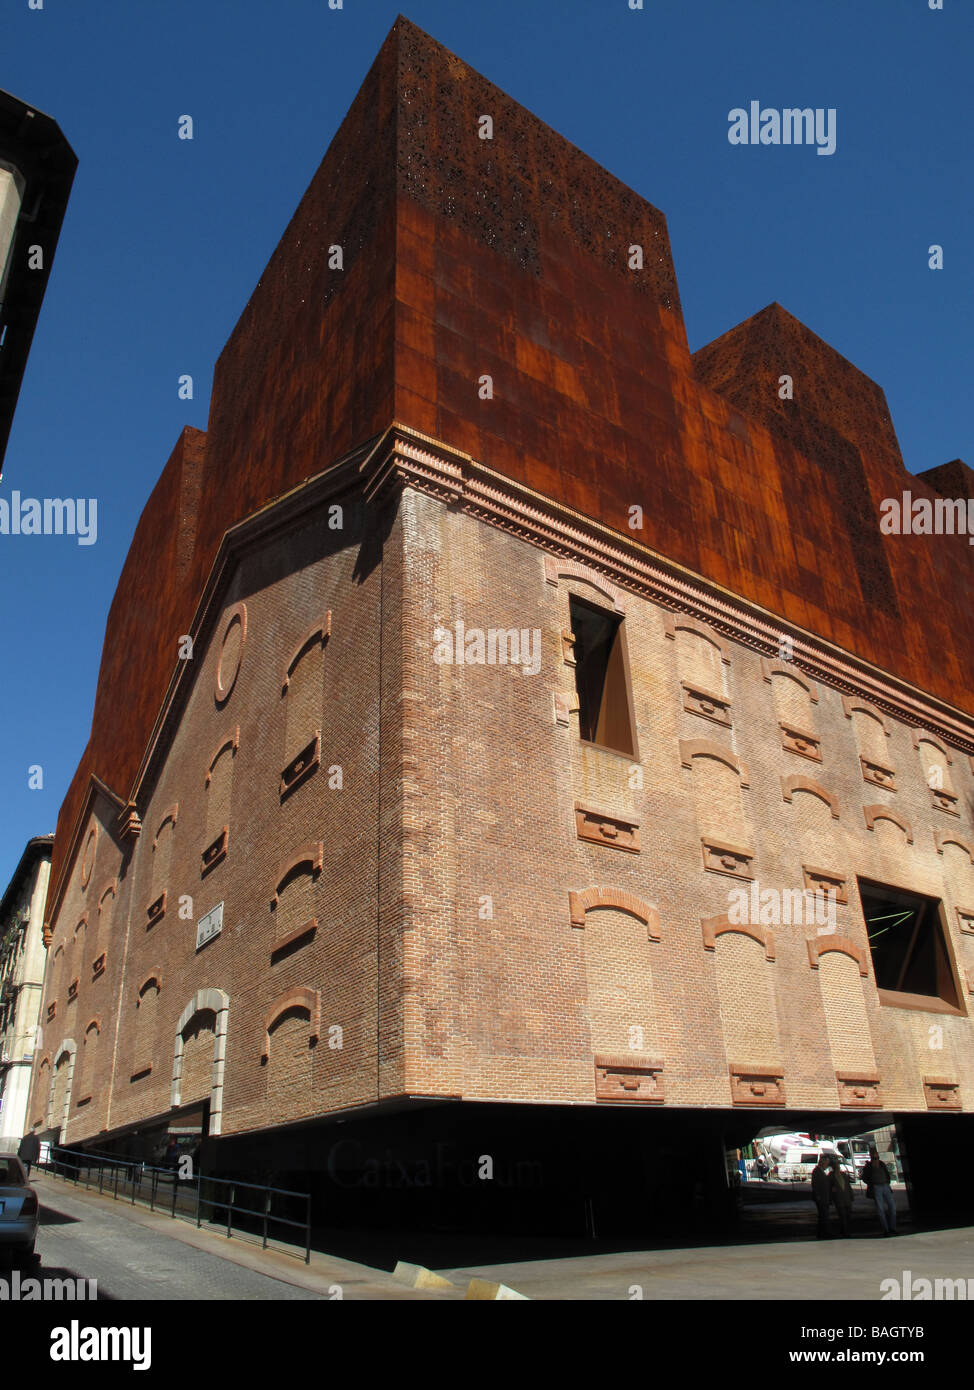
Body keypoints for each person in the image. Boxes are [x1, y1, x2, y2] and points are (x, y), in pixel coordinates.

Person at [862, 1145, 897, 1235]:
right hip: (876, 1187)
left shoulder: (881, 1164)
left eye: (877, 1157)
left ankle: (892, 1227)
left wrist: (888, 1182)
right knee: (880, 1209)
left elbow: (886, 1173)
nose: (876, 1160)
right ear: (871, 1157)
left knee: (892, 1207)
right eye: (874, 1158)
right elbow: (864, 1177)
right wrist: (872, 1183)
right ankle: (886, 1229)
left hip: (885, 1185)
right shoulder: (869, 1166)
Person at [828, 1155, 854, 1237]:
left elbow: (848, 1186)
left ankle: (846, 1230)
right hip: (839, 1199)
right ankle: (845, 1232)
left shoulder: (843, 1175)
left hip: (847, 1198)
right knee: (842, 1216)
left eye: (838, 1166)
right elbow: (829, 1188)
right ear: (833, 1167)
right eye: (836, 1166)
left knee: (848, 1215)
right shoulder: (831, 1176)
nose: (837, 1167)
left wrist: (851, 1196)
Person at [811, 1155, 833, 1238]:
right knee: (823, 1215)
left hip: (824, 1197)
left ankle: (822, 1232)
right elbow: (815, 1185)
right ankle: (824, 1233)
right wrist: (818, 1196)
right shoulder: (817, 1171)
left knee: (824, 1215)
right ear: (822, 1163)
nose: (827, 1165)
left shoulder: (821, 1171)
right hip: (821, 1198)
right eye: (826, 1163)